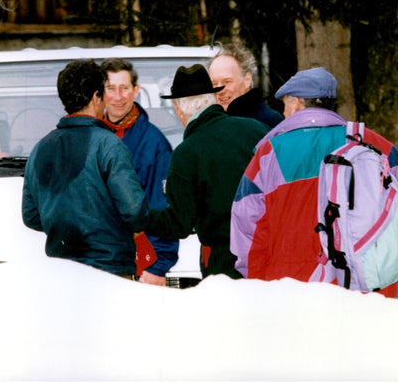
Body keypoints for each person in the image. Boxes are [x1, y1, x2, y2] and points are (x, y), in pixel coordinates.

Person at [230, 67, 398, 302]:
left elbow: (247, 234)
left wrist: (258, 286)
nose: (283, 112)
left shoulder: (268, 154)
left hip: (290, 295)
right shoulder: (374, 144)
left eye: (285, 104)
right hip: (365, 293)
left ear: (297, 102)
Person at [22, 59, 149, 277]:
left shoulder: (40, 148)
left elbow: (31, 215)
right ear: (95, 97)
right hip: (111, 270)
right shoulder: (109, 144)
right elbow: (135, 211)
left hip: (62, 273)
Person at [143, 64, 269, 279]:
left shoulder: (186, 154)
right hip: (266, 252)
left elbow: (179, 224)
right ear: (214, 99)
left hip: (223, 265)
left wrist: (140, 217)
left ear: (178, 108)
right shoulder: (257, 129)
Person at [100, 58, 177, 286]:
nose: (117, 96)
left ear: (136, 90)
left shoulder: (154, 143)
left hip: (139, 264)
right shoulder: (91, 137)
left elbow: (163, 208)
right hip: (97, 262)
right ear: (101, 92)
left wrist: (157, 267)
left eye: (124, 88)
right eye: (111, 88)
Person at [208, 42, 283, 128]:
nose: (220, 90)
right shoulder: (210, 124)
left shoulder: (270, 122)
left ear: (247, 80)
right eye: (214, 84)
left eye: (227, 82)